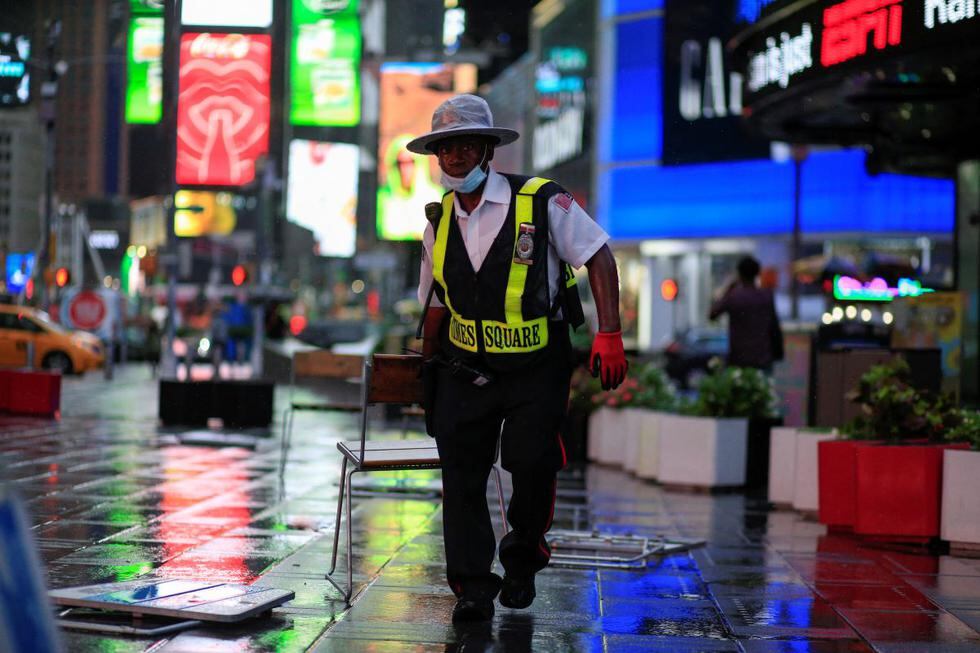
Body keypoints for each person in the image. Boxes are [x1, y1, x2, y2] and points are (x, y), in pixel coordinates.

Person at [413, 94, 628, 624]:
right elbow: (436, 303)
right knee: (462, 474)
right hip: (465, 367)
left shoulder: (540, 200)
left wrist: (611, 333)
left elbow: (597, 253)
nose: (455, 155)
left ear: (488, 149)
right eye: (445, 147)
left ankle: (523, 559)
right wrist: (424, 372)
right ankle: (472, 586)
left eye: (466, 144)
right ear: (437, 156)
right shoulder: (437, 222)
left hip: (537, 366)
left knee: (532, 463)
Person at [708, 255, 784, 371]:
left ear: (739, 274)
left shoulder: (733, 297)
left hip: (739, 358)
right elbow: (774, 326)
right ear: (757, 274)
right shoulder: (766, 296)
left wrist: (728, 287)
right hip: (762, 357)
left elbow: (712, 314)